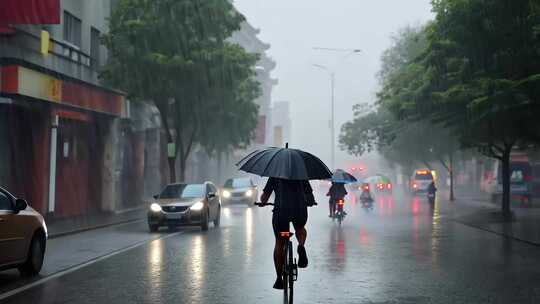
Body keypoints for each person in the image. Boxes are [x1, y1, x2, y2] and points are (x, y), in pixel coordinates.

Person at [260, 177, 316, 290]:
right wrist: (309, 202)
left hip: (281, 211)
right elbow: (310, 197)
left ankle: (279, 279)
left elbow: (265, 197)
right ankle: (301, 245)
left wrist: (263, 202)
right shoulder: (301, 176)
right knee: (300, 228)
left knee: (280, 241)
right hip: (299, 210)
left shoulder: (275, 175)